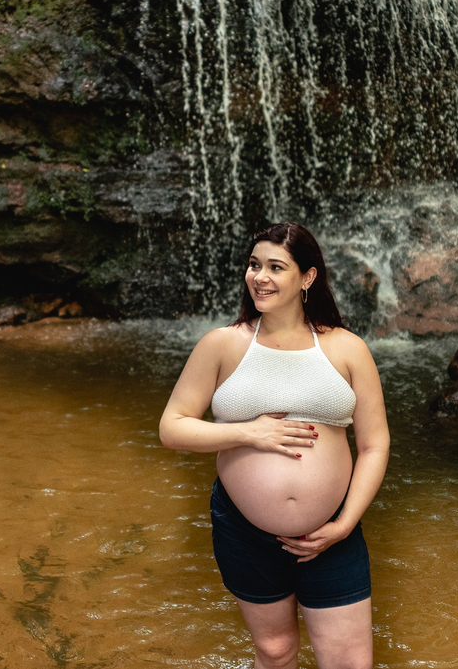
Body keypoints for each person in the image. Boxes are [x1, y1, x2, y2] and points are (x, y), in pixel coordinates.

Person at [159, 222, 390, 669]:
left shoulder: (346, 349)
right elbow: (172, 427)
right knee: (275, 651)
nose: (259, 277)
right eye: (253, 265)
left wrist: (344, 524)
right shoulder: (223, 344)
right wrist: (248, 432)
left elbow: (375, 445)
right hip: (245, 532)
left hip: (330, 533)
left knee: (349, 662)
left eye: (274, 267)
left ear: (307, 277)